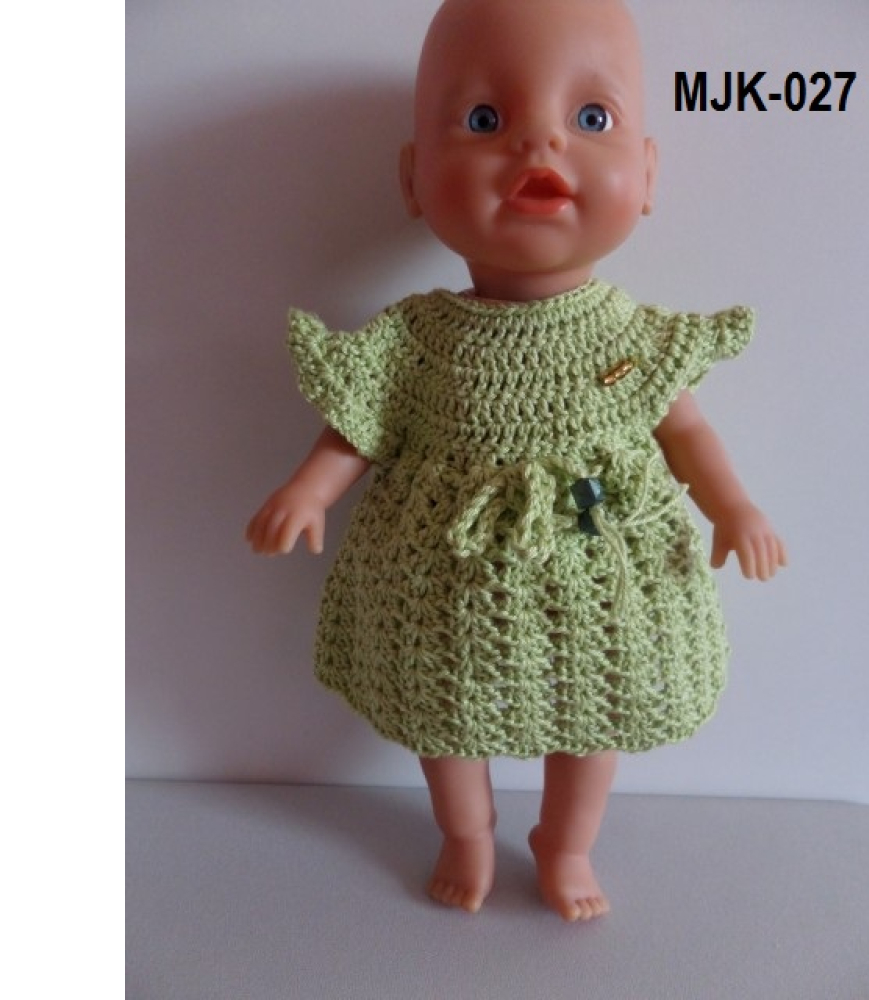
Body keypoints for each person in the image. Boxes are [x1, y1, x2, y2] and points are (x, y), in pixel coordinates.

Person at [246, 0, 786, 922]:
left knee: (599, 712)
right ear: (415, 179)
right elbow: (361, 427)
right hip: (446, 587)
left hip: (605, 581)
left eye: (592, 117)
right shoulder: (416, 338)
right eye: (486, 119)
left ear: (647, 175)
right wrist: (309, 489)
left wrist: (732, 505)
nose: (541, 146)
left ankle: (565, 844)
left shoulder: (632, 337)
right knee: (445, 714)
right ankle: (467, 834)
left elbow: (685, 430)